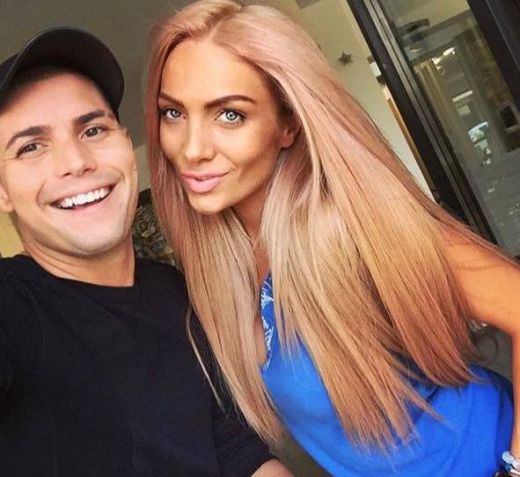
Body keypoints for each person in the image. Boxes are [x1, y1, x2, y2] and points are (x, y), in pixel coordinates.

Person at [144, 1, 520, 475]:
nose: (192, 148)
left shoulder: (355, 228)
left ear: (288, 125)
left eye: (230, 115)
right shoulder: (224, 265)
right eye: (173, 113)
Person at [0, 27, 291, 476]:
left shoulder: (172, 288)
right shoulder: (13, 306)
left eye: (93, 129)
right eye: (31, 147)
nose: (76, 162)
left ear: (125, 142)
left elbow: (236, 451)